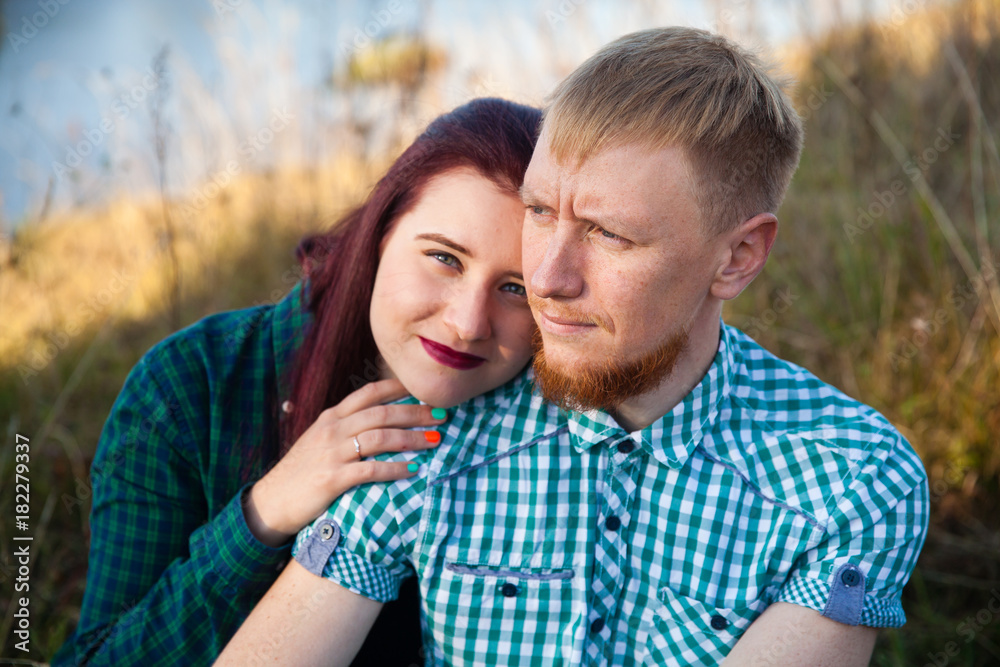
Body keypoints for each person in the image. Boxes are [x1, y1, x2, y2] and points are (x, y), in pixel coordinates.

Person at [220, 26, 930, 667]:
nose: (547, 279)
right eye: (538, 211)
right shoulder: (433, 431)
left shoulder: (849, 478)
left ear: (738, 258)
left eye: (608, 234)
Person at [52, 97, 543, 666]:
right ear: (381, 231)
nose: (467, 323)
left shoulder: (558, 426)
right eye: (444, 258)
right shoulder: (188, 389)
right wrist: (263, 514)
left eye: (516, 289)